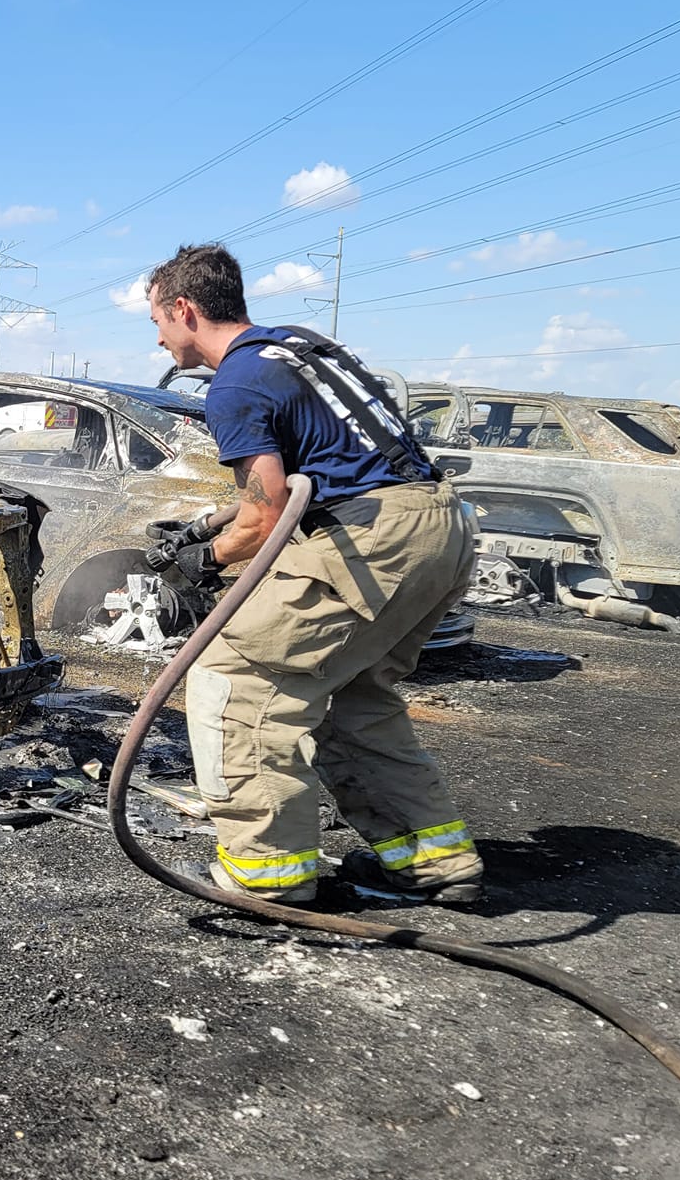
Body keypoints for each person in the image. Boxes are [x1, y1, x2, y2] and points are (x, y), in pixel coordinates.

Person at [144, 243, 482, 906]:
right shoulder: (298, 346)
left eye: (156, 321)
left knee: (236, 675)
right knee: (353, 696)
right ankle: (433, 859)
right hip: (439, 527)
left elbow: (267, 518)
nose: (157, 339)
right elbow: (319, 469)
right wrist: (207, 526)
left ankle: (269, 873)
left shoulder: (234, 383)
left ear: (184, 309)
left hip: (375, 540)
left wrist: (203, 562)